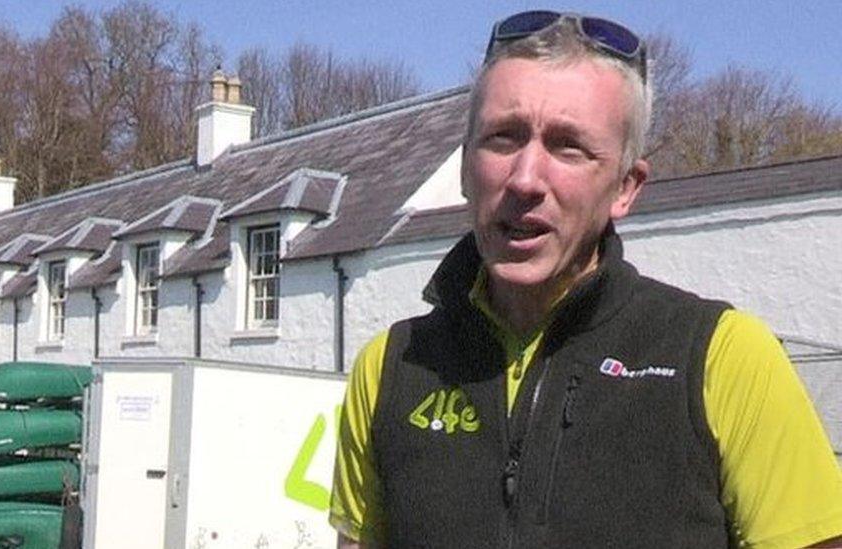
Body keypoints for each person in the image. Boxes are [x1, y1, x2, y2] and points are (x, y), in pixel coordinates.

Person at [329, 10, 842, 549]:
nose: (525, 178)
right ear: (464, 169)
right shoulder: (389, 368)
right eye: (502, 138)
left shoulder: (723, 357)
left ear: (626, 187)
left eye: (567, 146)